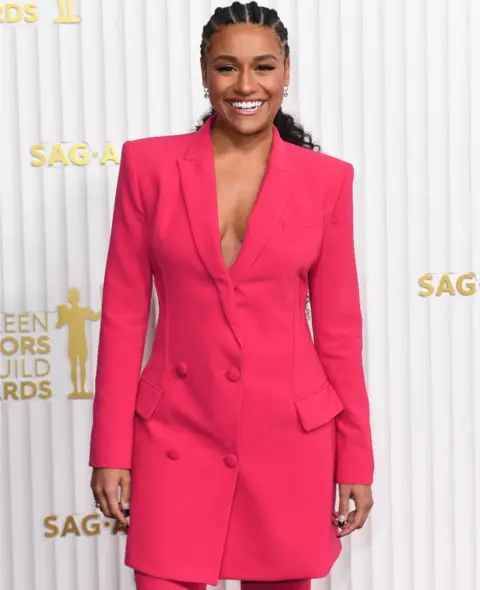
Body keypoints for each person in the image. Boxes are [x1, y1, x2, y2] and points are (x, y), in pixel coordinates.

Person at [89, 2, 375, 590]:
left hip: (291, 438)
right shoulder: (148, 165)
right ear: (203, 72)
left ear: (286, 72)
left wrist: (355, 460)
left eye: (263, 66)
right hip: (176, 430)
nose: (246, 85)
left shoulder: (328, 181)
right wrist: (110, 451)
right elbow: (123, 314)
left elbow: (340, 332)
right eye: (227, 67)